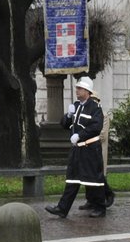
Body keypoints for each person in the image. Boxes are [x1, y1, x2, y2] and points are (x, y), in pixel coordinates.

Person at [45, 77, 108, 218]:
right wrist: (68, 116)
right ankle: (62, 209)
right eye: (77, 88)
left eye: (80, 88)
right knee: (72, 179)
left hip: (90, 148)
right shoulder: (76, 105)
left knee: (94, 179)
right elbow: (64, 125)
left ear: (87, 91)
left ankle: (100, 207)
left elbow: (96, 127)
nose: (77, 91)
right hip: (77, 149)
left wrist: (80, 135)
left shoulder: (95, 107)